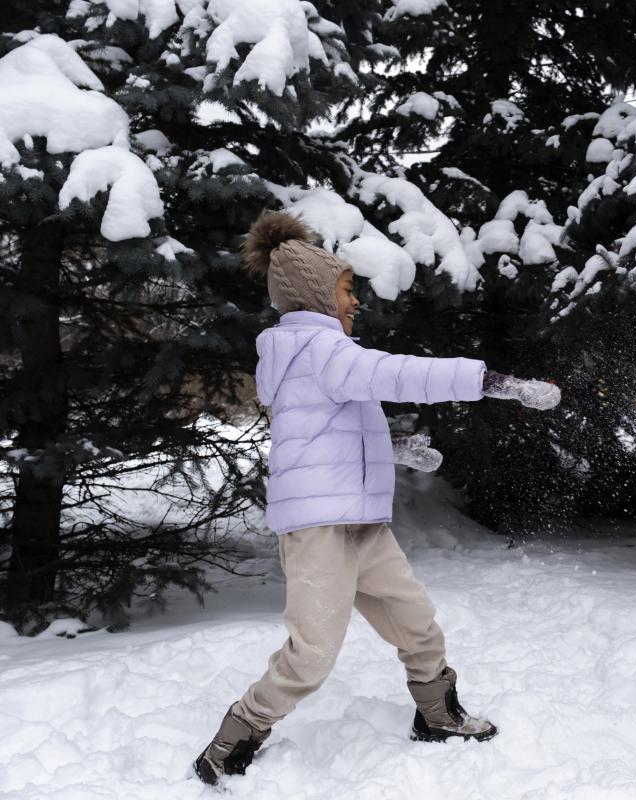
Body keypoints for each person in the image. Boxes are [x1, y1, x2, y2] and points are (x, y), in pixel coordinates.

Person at [193, 211, 560, 785]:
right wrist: (492, 383)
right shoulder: (320, 350)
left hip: (359, 523)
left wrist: (395, 450)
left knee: (415, 620)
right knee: (312, 653)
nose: (355, 302)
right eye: (346, 291)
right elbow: (398, 375)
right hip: (320, 531)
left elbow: (325, 440)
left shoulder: (312, 358)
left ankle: (437, 713)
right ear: (316, 296)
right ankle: (239, 731)